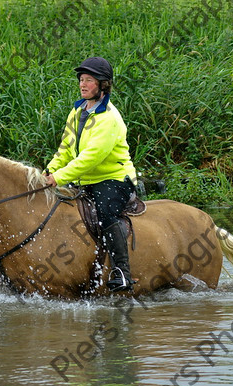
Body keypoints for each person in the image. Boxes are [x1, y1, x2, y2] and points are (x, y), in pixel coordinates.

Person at [43, 56, 138, 292]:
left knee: (106, 213)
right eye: (81, 80)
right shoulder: (77, 112)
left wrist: (59, 178)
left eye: (89, 80)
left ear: (103, 85)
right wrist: (49, 171)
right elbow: (65, 150)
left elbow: (90, 158)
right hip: (85, 181)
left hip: (114, 180)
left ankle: (122, 272)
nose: (82, 84)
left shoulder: (109, 118)